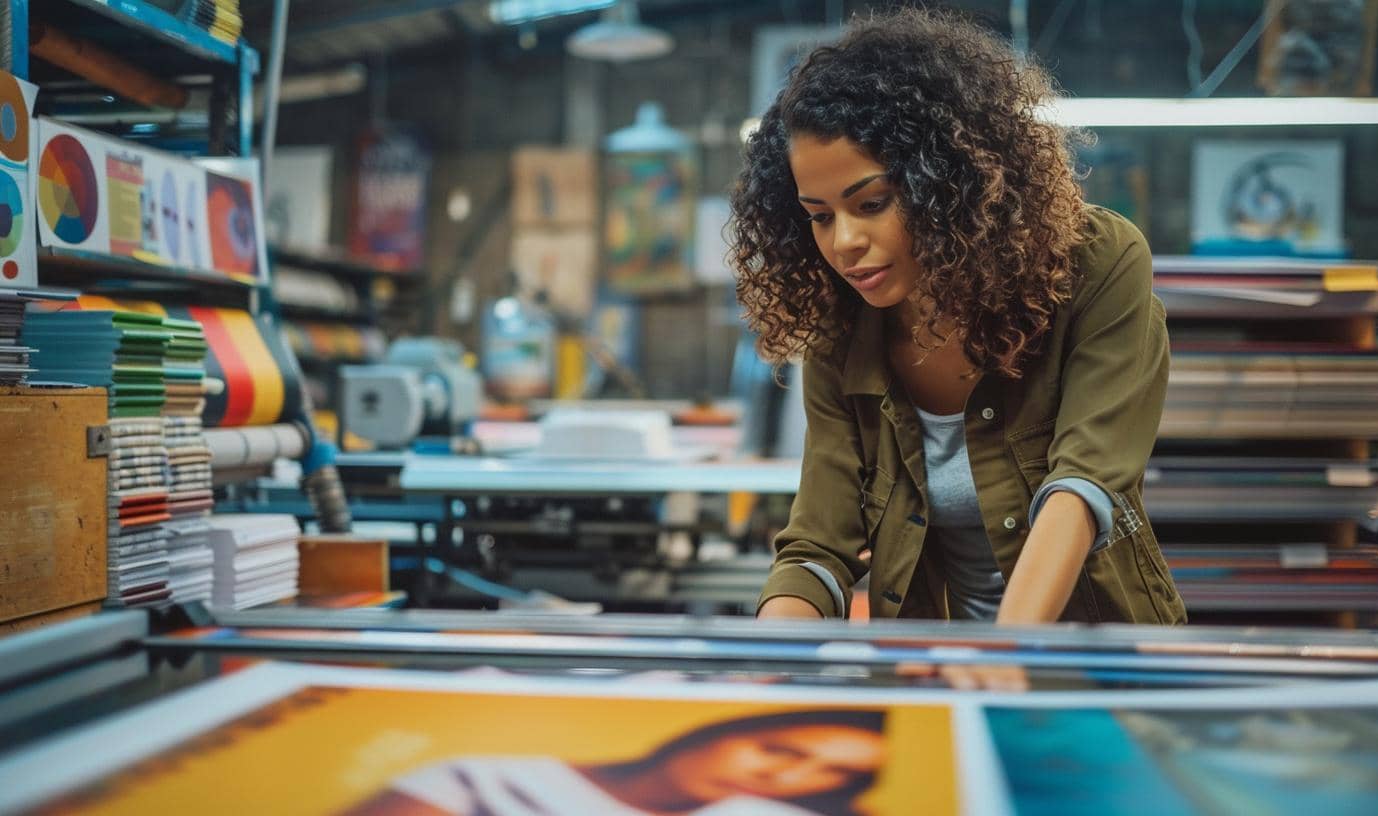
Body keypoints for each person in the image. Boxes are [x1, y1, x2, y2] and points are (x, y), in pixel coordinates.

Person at [731, 8, 1186, 630]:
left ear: (947, 182)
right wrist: (766, 652)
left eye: (873, 203)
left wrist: (1002, 654)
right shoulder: (844, 327)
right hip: (930, 663)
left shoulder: (1096, 263)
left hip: (1097, 655)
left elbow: (1084, 486)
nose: (844, 242)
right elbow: (819, 544)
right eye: (820, 216)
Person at [339, 709, 887, 816]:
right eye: (777, 749)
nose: (787, 778)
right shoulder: (486, 778)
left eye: (834, 773)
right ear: (716, 730)